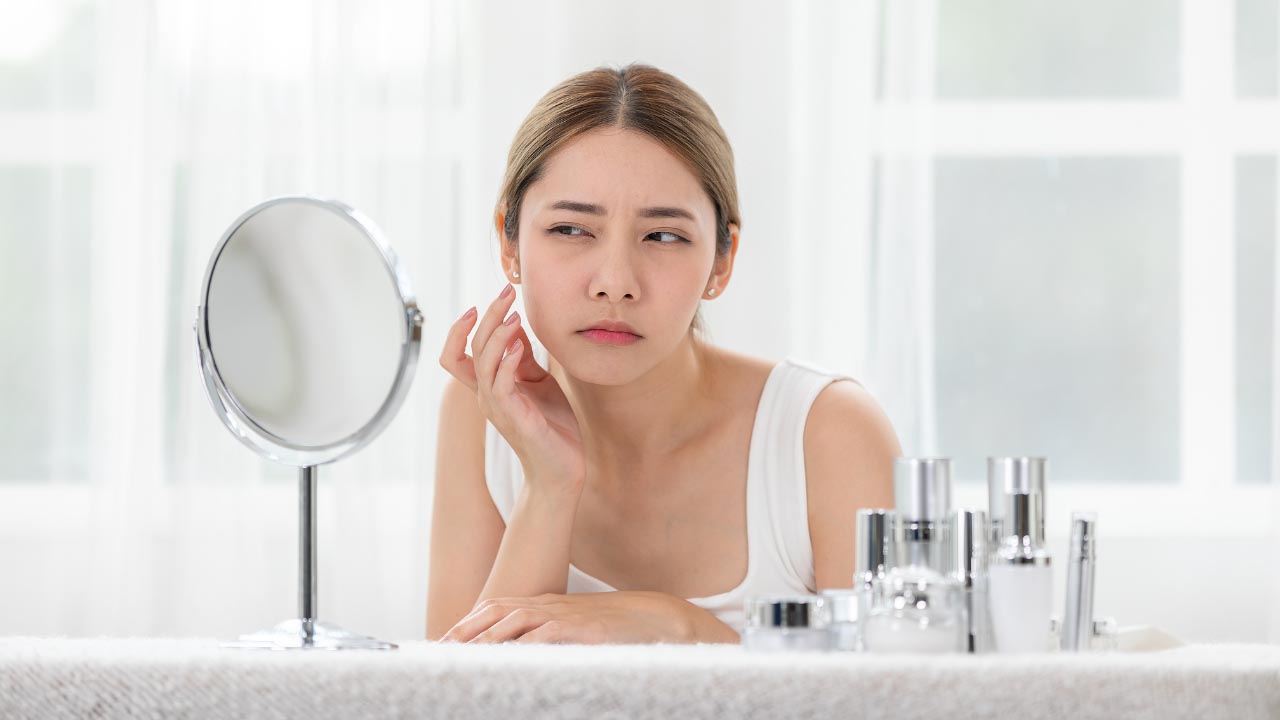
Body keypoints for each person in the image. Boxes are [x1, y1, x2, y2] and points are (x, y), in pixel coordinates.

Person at [427, 63, 899, 644]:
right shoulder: (484, 409)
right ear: (509, 241)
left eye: (663, 236)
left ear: (721, 261)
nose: (615, 282)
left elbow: (887, 698)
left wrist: (679, 626)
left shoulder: (826, 433)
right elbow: (457, 700)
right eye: (572, 229)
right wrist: (550, 487)